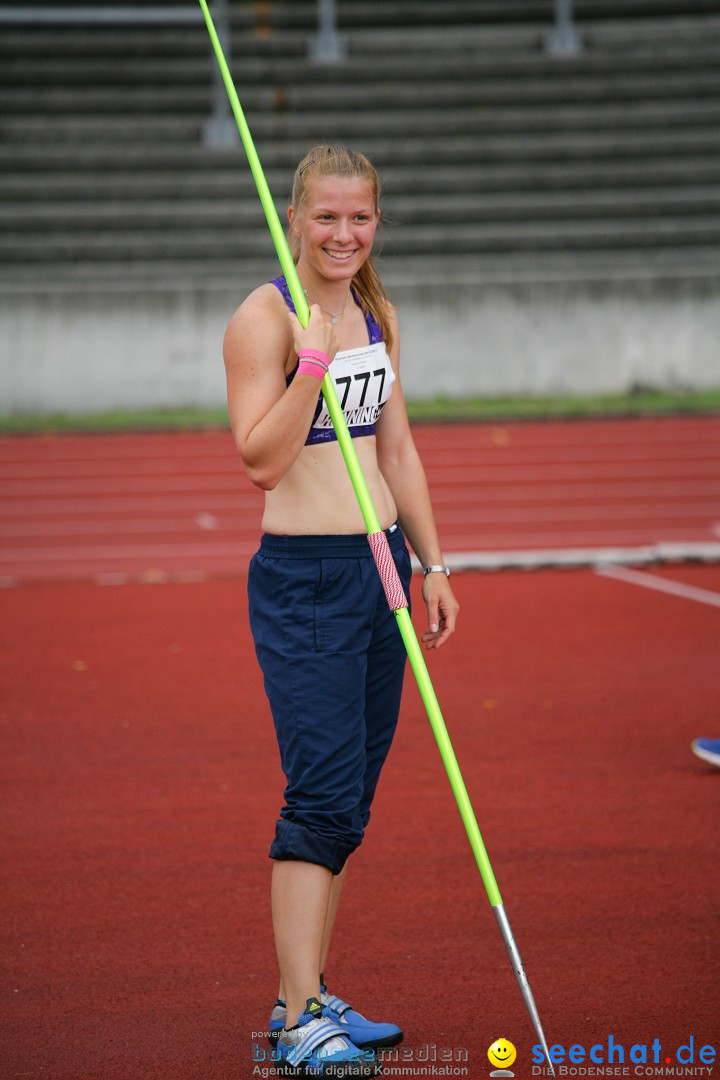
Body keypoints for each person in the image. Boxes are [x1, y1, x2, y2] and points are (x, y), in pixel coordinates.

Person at [223, 144, 459, 1076]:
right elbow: (259, 461)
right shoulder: (265, 318)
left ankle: (307, 996)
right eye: (327, 216)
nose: (344, 234)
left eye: (360, 218)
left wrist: (434, 563)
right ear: (295, 216)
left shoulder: (378, 312)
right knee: (318, 797)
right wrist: (309, 368)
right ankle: (291, 1029)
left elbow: (396, 451)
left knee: (351, 802)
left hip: (382, 570)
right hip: (307, 577)